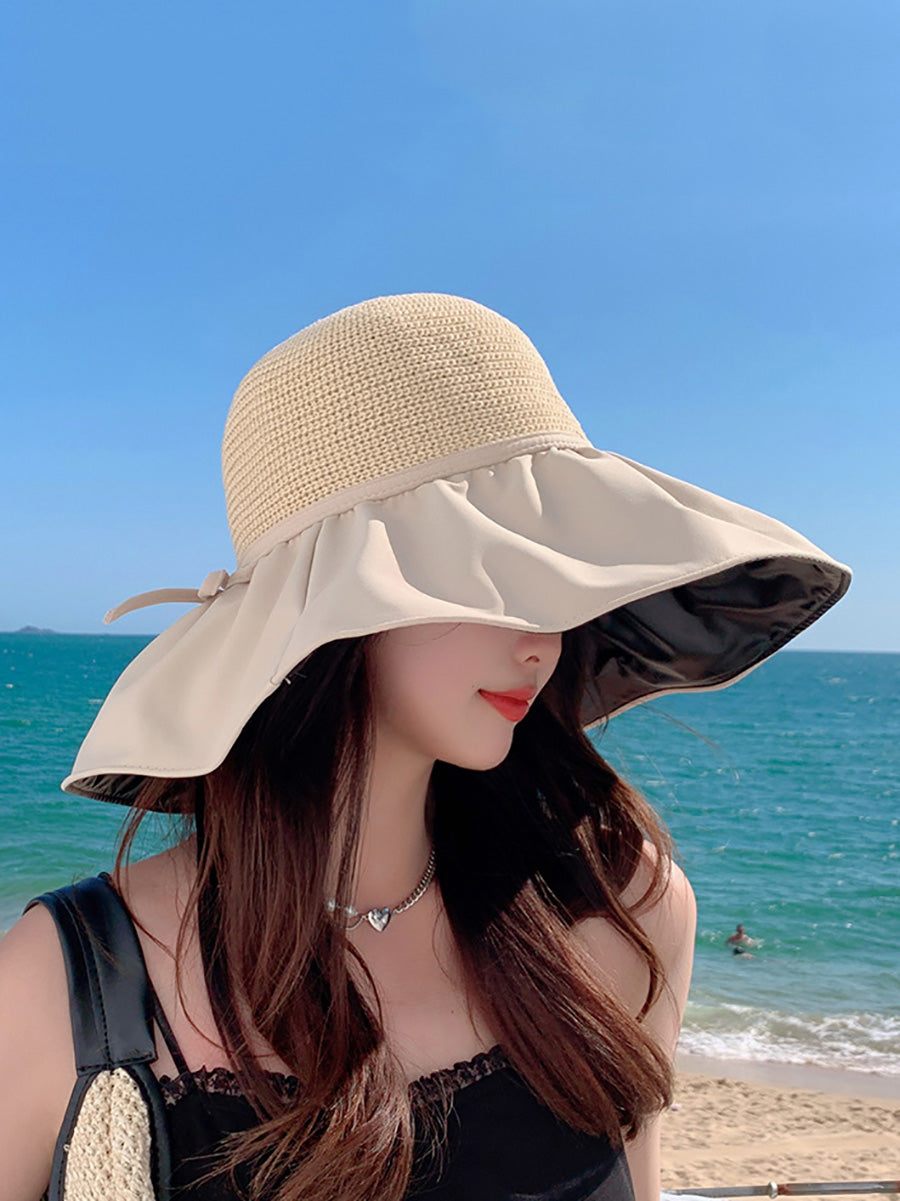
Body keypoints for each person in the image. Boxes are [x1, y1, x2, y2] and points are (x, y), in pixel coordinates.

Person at [0, 294, 850, 1201]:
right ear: (342, 601)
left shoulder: (625, 909)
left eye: (561, 576)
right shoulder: (67, 982)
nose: (545, 636)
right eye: (495, 570)